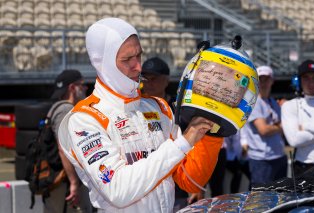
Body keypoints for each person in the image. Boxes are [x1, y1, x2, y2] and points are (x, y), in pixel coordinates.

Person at [58, 17, 223, 213]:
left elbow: (190, 180)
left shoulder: (159, 107)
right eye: (127, 59)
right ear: (103, 63)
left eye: (139, 55)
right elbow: (118, 191)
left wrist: (212, 131)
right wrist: (183, 142)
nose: (138, 66)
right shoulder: (84, 119)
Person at [141, 56, 189, 212]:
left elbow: (191, 145)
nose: (148, 82)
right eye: (145, 78)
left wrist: (196, 186)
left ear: (167, 80)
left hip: (177, 183)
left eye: (153, 78)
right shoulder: (134, 108)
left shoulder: (180, 109)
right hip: (145, 184)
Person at [46, 69, 92, 213]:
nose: (86, 89)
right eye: (83, 85)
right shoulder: (66, 110)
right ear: (73, 87)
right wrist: (74, 182)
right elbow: (63, 147)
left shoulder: (56, 107)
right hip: (64, 181)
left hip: (58, 179)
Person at [241, 65, 287, 187]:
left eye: (266, 79)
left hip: (278, 156)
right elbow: (264, 130)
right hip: (262, 160)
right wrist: (283, 126)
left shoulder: (273, 102)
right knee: (262, 200)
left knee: (281, 197)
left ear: (272, 81)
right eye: (260, 79)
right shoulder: (254, 102)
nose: (263, 82)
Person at [281, 60, 314, 176]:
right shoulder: (289, 106)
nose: (311, 82)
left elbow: (300, 137)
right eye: (306, 77)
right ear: (298, 81)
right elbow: (294, 140)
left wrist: (305, 126)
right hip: (303, 169)